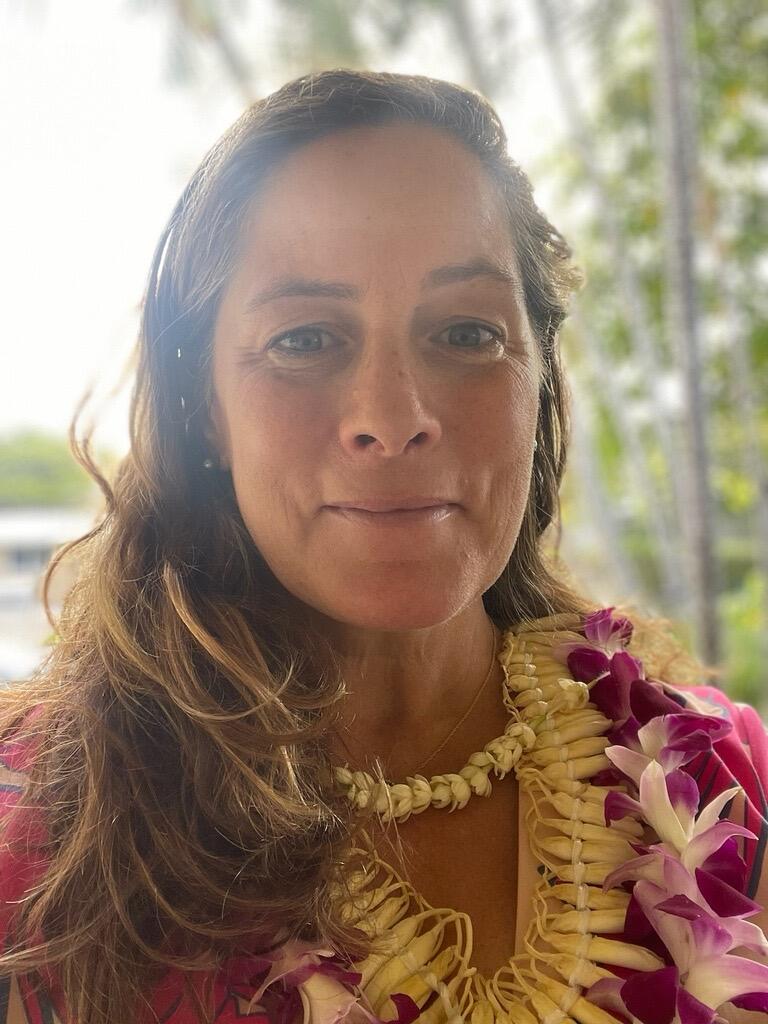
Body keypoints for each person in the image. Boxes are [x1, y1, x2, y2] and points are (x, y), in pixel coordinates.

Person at [1, 69, 767, 1024]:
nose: (393, 419)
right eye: (305, 339)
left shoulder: (727, 785)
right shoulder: (40, 838)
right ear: (205, 406)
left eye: (465, 332)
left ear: (541, 381)